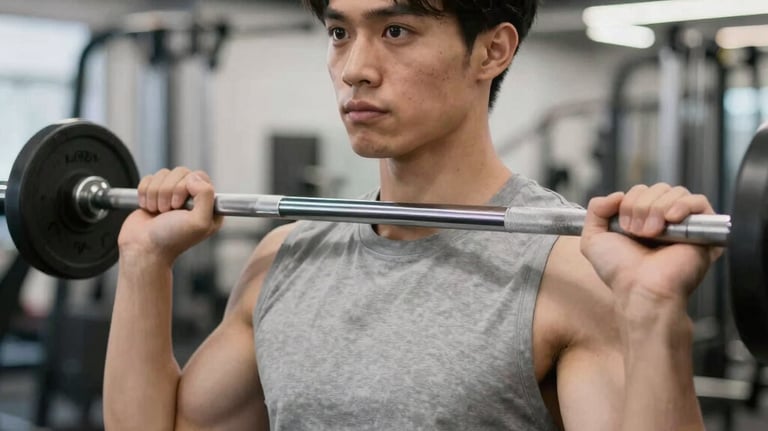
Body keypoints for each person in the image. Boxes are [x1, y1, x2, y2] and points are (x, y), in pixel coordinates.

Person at [104, 0, 721, 429]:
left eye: (395, 31)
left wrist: (652, 312)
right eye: (340, 32)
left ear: (492, 51)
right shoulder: (285, 258)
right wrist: (142, 262)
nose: (354, 70)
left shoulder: (566, 276)